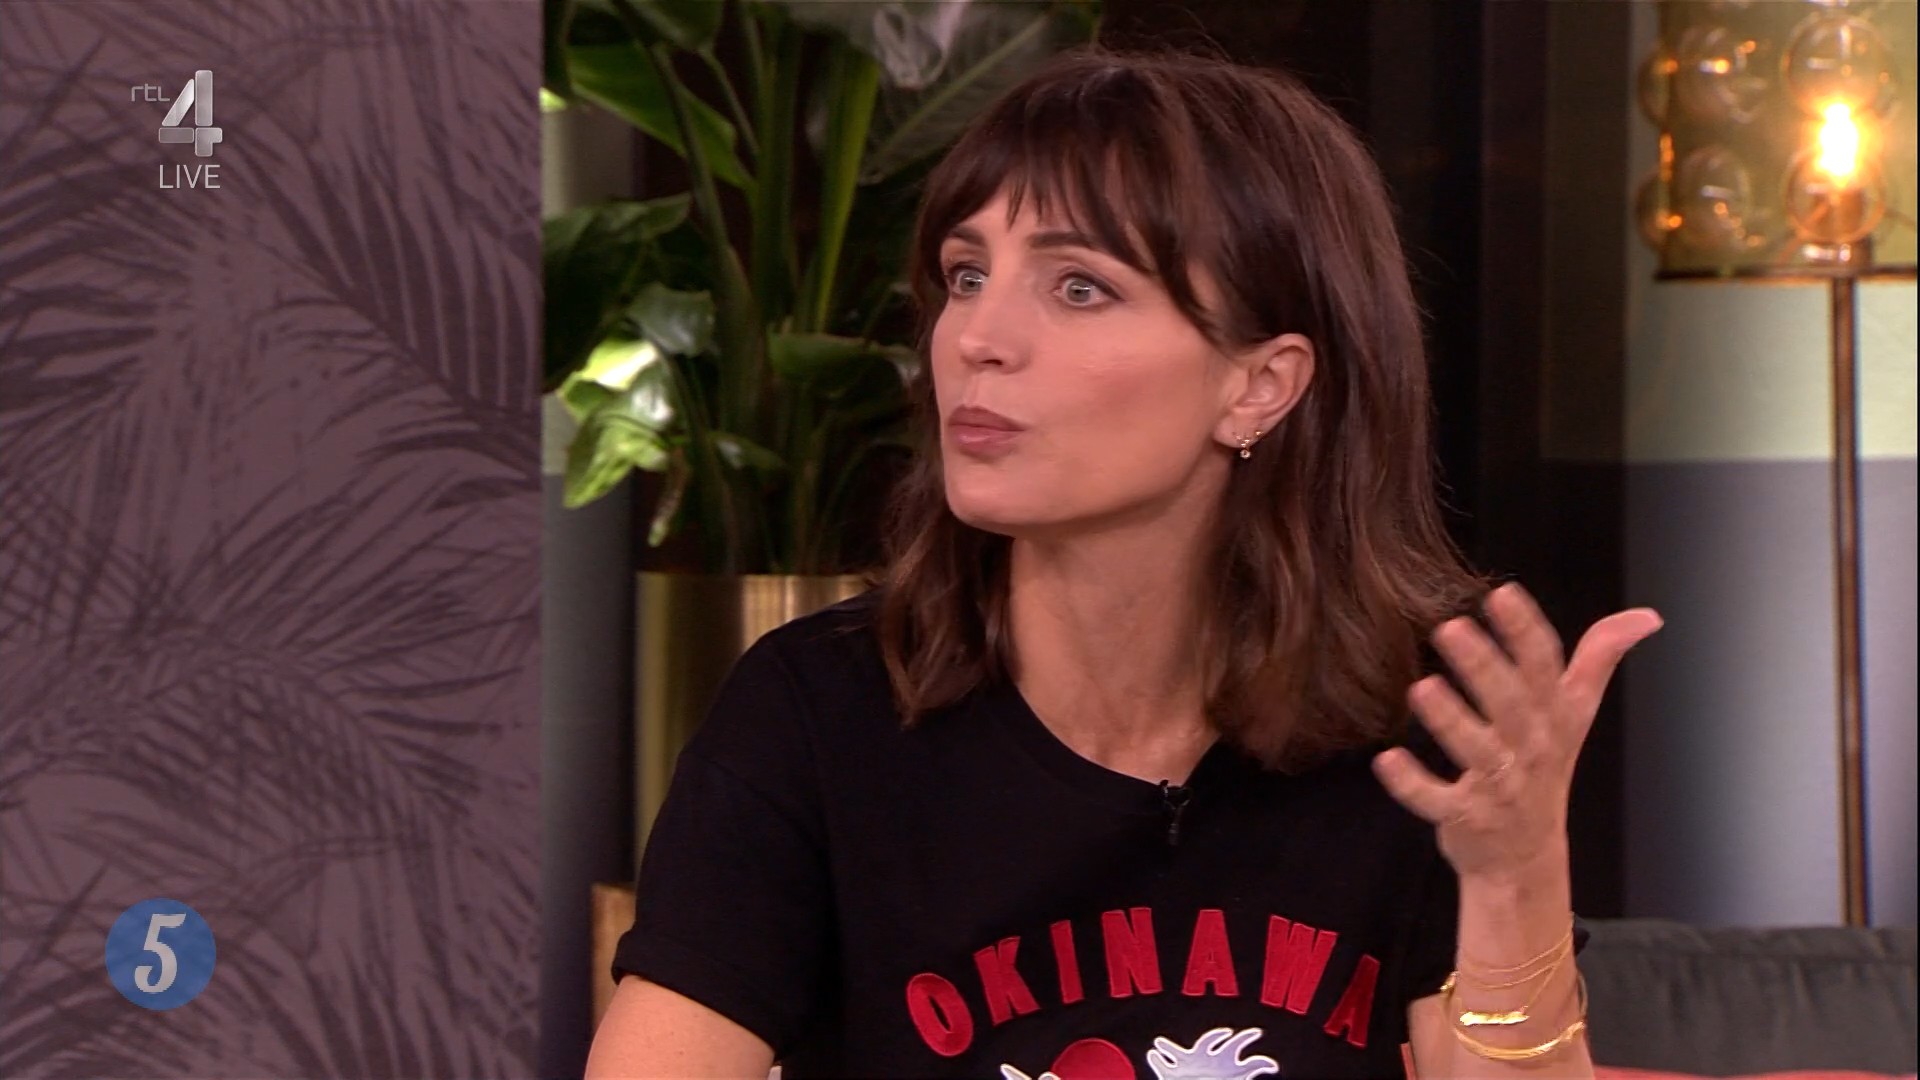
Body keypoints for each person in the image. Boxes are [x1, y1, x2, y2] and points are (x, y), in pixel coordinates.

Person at [586, 45, 1660, 1080]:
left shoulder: (1421, 727)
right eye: (967, 275)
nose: (977, 337)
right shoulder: (818, 711)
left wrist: (1515, 878)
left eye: (1078, 288)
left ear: (1261, 386)